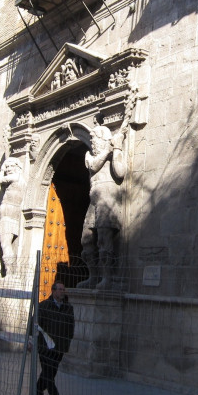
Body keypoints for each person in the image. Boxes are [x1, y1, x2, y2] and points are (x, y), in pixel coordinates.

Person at [77, 123, 127, 290]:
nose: (93, 144)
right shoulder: (90, 155)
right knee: (87, 240)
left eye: (96, 140)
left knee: (104, 239)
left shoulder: (112, 152)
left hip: (107, 198)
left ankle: (107, 278)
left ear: (104, 139)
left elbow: (120, 172)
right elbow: (93, 166)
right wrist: (107, 151)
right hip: (94, 200)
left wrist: (118, 148)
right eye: (92, 141)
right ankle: (93, 276)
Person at [34, 281, 74, 395]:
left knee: (51, 371)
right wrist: (31, 341)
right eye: (60, 289)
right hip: (45, 345)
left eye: (63, 289)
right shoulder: (43, 306)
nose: (62, 291)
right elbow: (35, 324)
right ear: (53, 290)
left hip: (60, 346)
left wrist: (68, 340)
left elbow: (71, 326)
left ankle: (37, 391)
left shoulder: (68, 308)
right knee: (47, 370)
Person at [0, 157, 24, 278]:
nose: (9, 169)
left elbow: (1, 179)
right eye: (7, 167)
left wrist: (2, 169)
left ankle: (10, 273)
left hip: (10, 215)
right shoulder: (12, 178)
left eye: (11, 166)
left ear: (18, 168)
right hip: (2, 214)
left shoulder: (17, 177)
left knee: (5, 244)